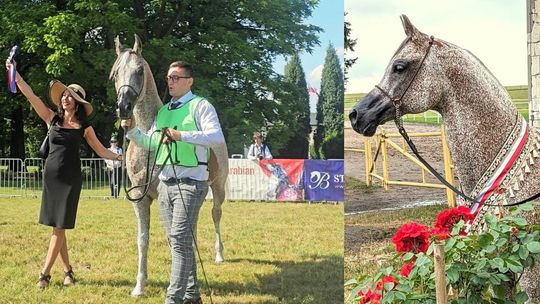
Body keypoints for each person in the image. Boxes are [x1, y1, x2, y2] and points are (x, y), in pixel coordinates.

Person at [5, 60, 122, 289]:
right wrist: (16, 75)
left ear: (77, 102)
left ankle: (44, 274)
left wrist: (122, 158)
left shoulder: (84, 128)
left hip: (71, 181)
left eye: (71, 96)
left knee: (59, 227)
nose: (66, 98)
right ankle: (68, 271)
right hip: (51, 180)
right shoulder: (52, 119)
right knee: (58, 227)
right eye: (64, 95)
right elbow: (32, 98)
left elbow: (101, 151)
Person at [121, 61, 225, 304]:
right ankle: (192, 294)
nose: (170, 82)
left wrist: (182, 136)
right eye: (168, 77)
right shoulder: (165, 111)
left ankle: (173, 298)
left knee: (178, 240)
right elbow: (151, 142)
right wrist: (132, 131)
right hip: (166, 184)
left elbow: (216, 136)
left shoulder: (201, 106)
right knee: (177, 242)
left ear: (190, 81)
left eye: (176, 77)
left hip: (191, 182)